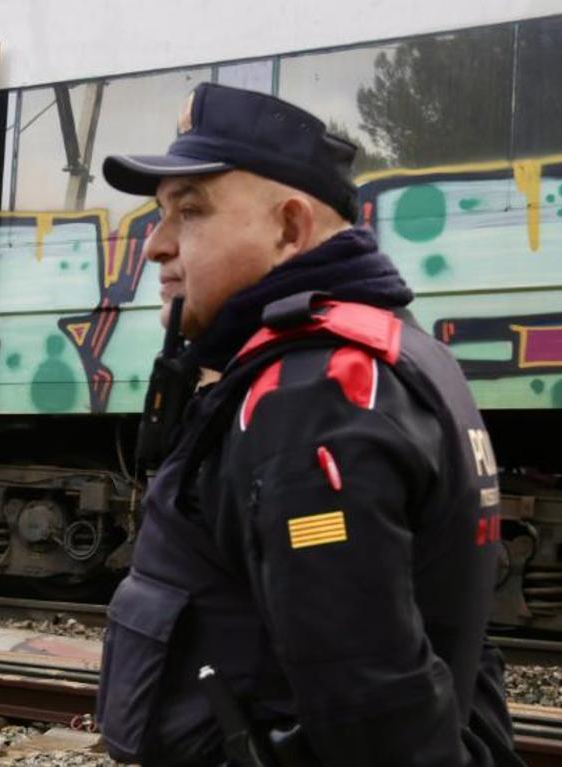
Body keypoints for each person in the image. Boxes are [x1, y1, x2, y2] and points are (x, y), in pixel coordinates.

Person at [95, 82, 521, 766]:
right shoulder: (397, 352)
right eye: (160, 214)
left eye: (190, 211)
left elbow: (371, 706)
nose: (156, 246)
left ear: (290, 228)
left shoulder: (312, 398)